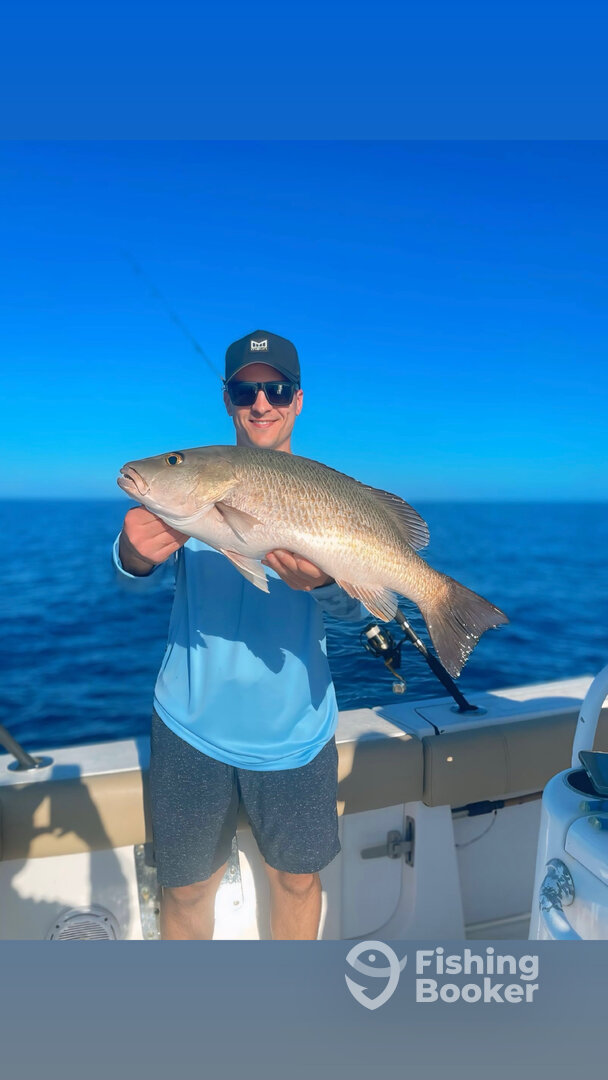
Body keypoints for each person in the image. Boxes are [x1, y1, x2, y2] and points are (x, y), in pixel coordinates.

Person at [113, 330, 365, 940]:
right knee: (187, 889)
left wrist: (323, 584)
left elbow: (358, 615)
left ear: (297, 400)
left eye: (275, 389)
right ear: (227, 400)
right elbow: (129, 576)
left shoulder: (327, 494)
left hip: (296, 731)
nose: (261, 404)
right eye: (244, 391)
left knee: (298, 881)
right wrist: (132, 552)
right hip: (189, 726)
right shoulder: (191, 491)